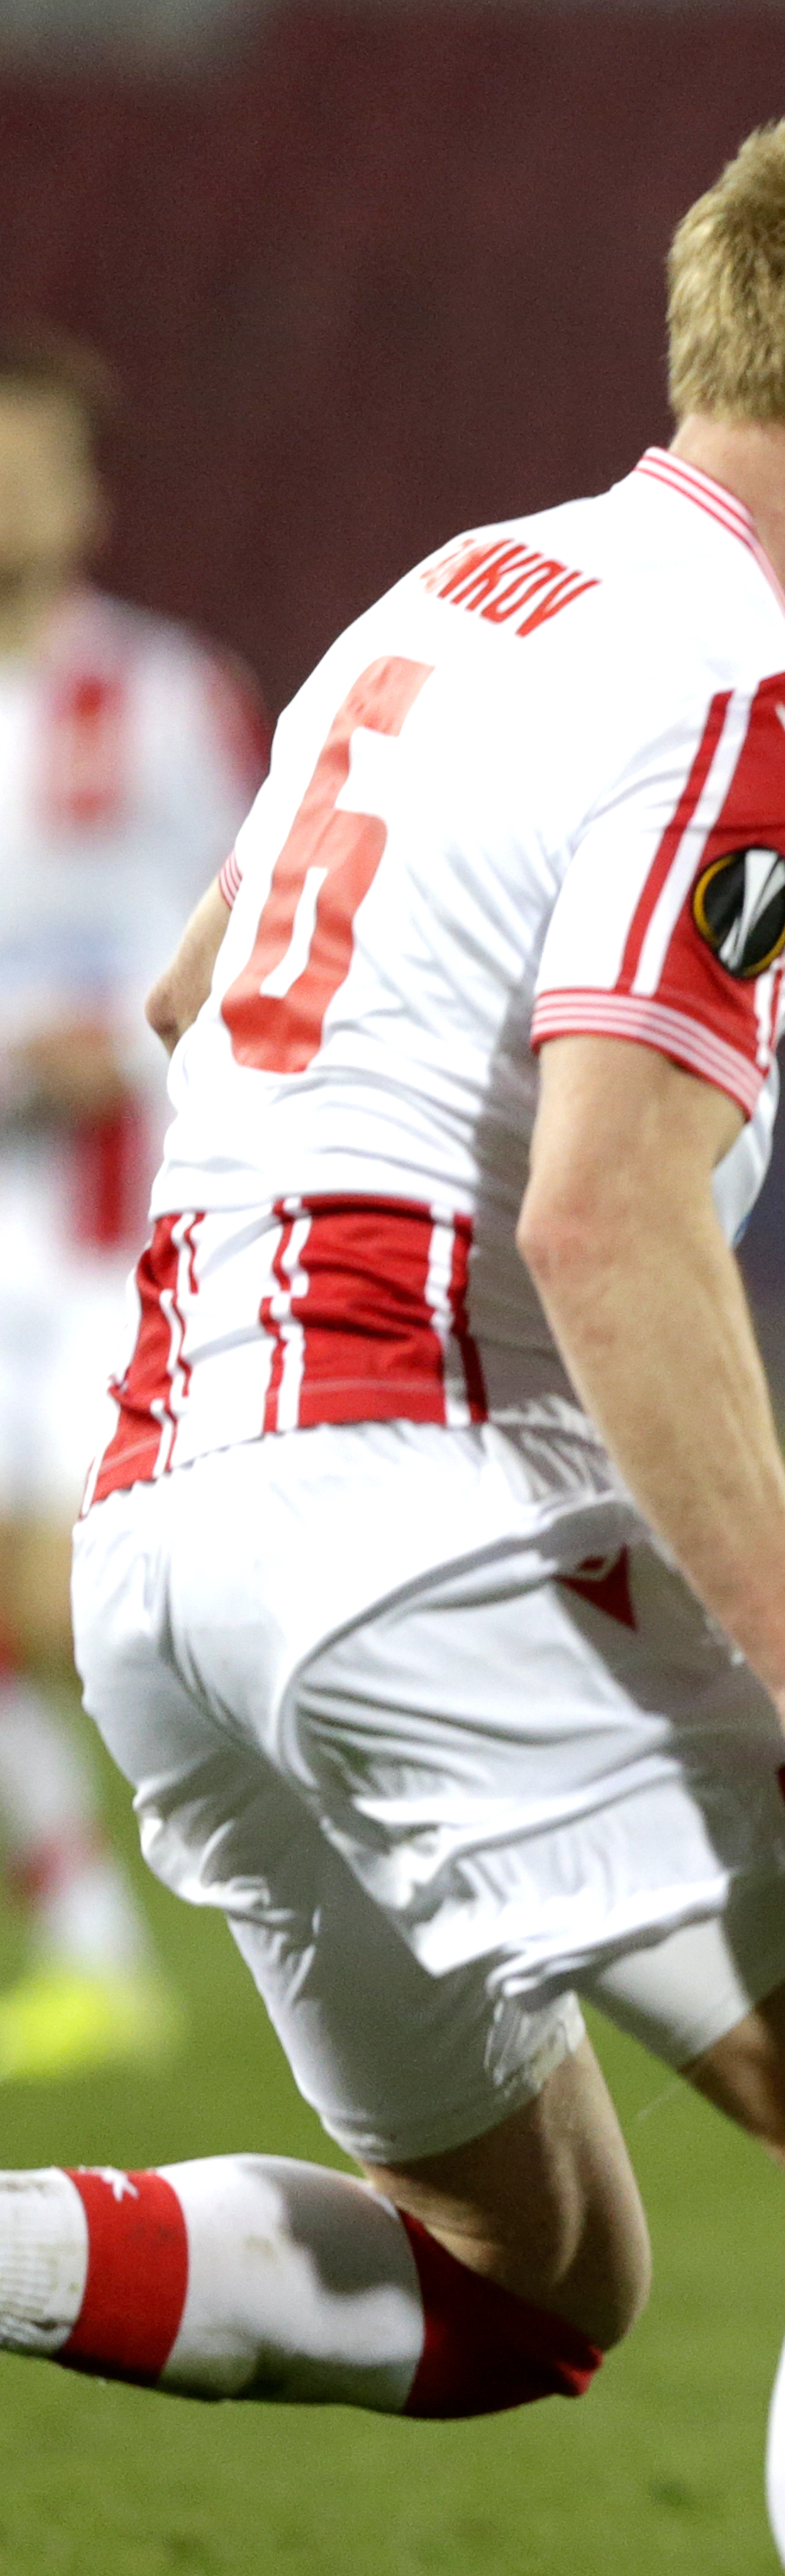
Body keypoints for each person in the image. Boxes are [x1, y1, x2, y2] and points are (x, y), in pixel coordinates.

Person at [23, 91, 785, 2576]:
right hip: (404, 1486)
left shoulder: (450, 594)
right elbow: (606, 1209)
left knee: (524, 2286)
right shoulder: (752, 696)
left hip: (167, 1536)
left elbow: (195, 993)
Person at [0, 329, 258, 2079]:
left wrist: (106, 1045)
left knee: (86, 1611)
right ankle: (89, 1945)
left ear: (86, 495)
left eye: (32, 466)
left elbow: (260, 934)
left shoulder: (165, 698)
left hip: (118, 1225)